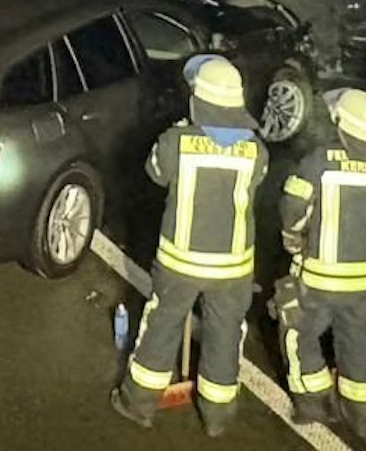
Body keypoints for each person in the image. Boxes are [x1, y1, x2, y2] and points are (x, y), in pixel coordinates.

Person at [112, 56, 268, 436]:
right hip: (233, 267)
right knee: (226, 334)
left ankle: (139, 403)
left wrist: (181, 133)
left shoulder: (175, 141)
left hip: (181, 261)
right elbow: (256, 181)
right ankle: (217, 417)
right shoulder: (256, 149)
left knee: (162, 325)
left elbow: (155, 173)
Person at [276, 89, 366, 439]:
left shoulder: (318, 160)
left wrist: (293, 236)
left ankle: (312, 404)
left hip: (321, 274)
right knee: (357, 341)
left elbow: (294, 206)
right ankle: (359, 415)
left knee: (298, 330)